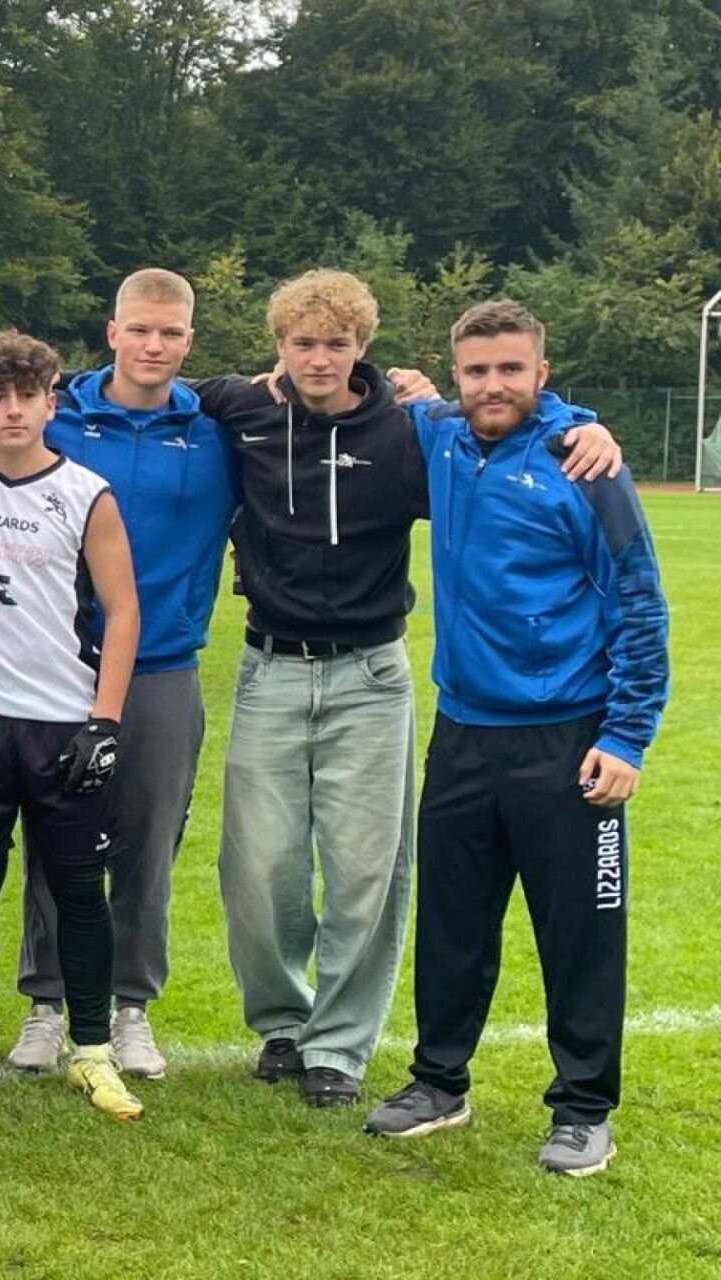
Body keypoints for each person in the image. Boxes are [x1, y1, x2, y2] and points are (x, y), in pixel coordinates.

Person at [191, 272, 622, 1105]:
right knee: (260, 869)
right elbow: (149, 388)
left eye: (337, 343)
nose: (320, 358)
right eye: (303, 343)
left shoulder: (408, 430)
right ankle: (282, 1021)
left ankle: (338, 1048)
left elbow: (507, 414)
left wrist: (586, 423)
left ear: (364, 346)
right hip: (268, 668)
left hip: (370, 674)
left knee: (366, 872)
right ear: (279, 348)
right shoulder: (240, 410)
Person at [365, 300, 667, 1178]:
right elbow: (389, 391)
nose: (492, 385)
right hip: (463, 732)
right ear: (456, 376)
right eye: (476, 371)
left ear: (542, 371)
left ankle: (583, 1109)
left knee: (580, 933)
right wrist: (407, 384)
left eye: (510, 369)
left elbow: (640, 602)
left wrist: (627, 736)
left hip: (568, 740)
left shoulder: (585, 465)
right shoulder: (442, 438)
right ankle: (439, 1082)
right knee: (452, 923)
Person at [3, 269, 229, 1080]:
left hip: (162, 667)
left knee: (146, 843)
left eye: (169, 333)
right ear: (112, 332)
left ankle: (132, 1007)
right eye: (140, 329)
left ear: (189, 341)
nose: (153, 345)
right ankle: (46, 1002)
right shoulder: (60, 417)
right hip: (57, 664)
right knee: (52, 840)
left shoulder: (217, 433)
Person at [0, 330, 143, 1120]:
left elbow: (122, 610)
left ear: (51, 403)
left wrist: (104, 721)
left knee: (81, 889)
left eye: (27, 396)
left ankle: (91, 1050)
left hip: (62, 721)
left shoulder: (87, 492)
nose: (13, 411)